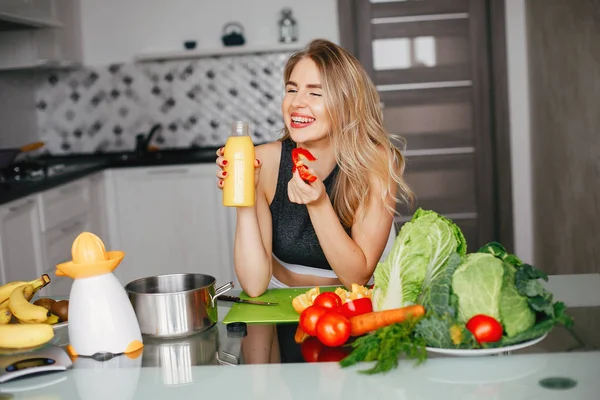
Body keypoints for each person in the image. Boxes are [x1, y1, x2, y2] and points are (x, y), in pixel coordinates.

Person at [216, 39, 413, 298]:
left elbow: (357, 277)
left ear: (346, 104)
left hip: (354, 299)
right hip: (282, 297)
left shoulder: (375, 163)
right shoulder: (264, 162)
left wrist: (318, 203)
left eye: (315, 93)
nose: (297, 103)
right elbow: (253, 285)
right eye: (292, 90)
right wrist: (245, 197)